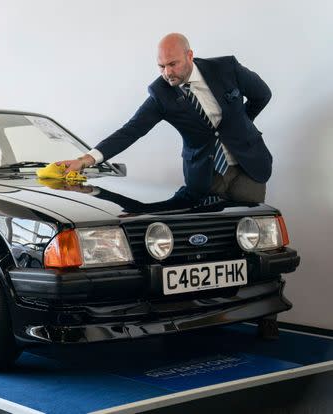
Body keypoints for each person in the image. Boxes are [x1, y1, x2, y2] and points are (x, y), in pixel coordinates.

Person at [56, 33, 278, 339]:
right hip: (205, 175)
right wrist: (87, 159)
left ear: (190, 55)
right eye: (161, 66)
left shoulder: (226, 68)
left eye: (172, 64)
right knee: (207, 246)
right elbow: (131, 130)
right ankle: (208, 317)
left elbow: (262, 94)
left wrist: (238, 126)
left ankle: (264, 314)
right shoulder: (161, 93)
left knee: (253, 243)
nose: (167, 72)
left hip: (248, 166)